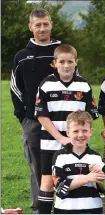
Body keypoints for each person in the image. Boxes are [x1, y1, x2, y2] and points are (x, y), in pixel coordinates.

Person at [35, 44, 99, 213]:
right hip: (51, 143)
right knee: (48, 183)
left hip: (77, 144)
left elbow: (89, 115)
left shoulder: (84, 85)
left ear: (76, 62)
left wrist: (77, 135)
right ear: (54, 63)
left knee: (75, 178)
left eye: (70, 61)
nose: (66, 65)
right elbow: (41, 115)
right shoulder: (46, 84)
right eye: (61, 61)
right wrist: (61, 138)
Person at [10, 8, 61, 213]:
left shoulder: (61, 53)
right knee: (38, 168)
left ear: (51, 25)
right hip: (32, 122)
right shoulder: (21, 56)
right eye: (37, 25)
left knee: (65, 164)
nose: (42, 28)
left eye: (45, 24)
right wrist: (24, 116)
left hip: (61, 121)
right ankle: (39, 209)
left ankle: (66, 206)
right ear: (30, 27)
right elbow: (15, 88)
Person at [52, 110, 105, 214]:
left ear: (91, 131)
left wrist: (100, 178)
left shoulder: (96, 157)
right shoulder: (60, 156)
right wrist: (87, 178)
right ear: (68, 132)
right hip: (65, 210)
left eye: (85, 131)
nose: (80, 135)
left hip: (93, 210)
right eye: (76, 131)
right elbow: (59, 187)